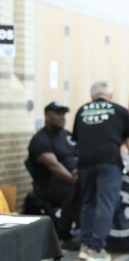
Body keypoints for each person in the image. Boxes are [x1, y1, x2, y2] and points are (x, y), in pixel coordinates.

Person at [72, 81, 129, 261]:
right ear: (110, 95)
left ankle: (86, 245)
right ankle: (97, 249)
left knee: (88, 203)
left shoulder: (82, 110)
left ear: (91, 96)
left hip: (85, 162)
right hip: (109, 162)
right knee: (106, 203)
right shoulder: (120, 110)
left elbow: (77, 142)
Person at [26, 101, 80, 249]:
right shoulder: (40, 139)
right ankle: (64, 235)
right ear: (47, 115)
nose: (62, 117)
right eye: (57, 113)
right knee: (75, 192)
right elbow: (54, 166)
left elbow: (81, 152)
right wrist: (74, 180)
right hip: (51, 184)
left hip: (73, 178)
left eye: (63, 113)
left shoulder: (66, 135)